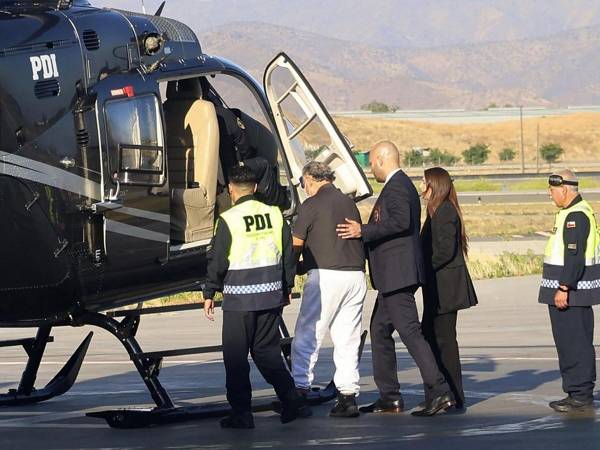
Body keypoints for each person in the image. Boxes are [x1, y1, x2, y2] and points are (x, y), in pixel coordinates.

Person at [337, 141, 455, 417]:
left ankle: (439, 392)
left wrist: (363, 231)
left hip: (398, 275)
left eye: (371, 163)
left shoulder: (399, 186)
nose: (370, 169)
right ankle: (389, 396)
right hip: (391, 276)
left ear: (380, 159)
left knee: (410, 332)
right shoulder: (396, 187)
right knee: (379, 331)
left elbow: (401, 222)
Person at [202, 165, 303, 428]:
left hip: (240, 299)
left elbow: (218, 260)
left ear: (232, 190)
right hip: (270, 296)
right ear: (256, 188)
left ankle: (242, 413)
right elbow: (288, 254)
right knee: (267, 352)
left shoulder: (229, 219)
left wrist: (209, 291)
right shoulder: (275, 215)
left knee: (235, 357)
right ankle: (291, 399)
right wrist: (287, 286)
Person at [291, 161, 368, 418]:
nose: (304, 188)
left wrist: (289, 274)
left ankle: (299, 390)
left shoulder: (311, 205)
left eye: (303, 183)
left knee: (308, 333)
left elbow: (296, 244)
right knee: (347, 338)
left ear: (311, 179)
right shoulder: (348, 203)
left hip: (327, 277)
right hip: (355, 276)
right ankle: (347, 397)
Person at [539, 169, 599, 412]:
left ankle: (580, 394)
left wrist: (563, 287)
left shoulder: (576, 215)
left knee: (573, 343)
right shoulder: (571, 212)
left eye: (552, 191)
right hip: (574, 291)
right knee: (573, 342)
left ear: (564, 189)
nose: (549, 195)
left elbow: (573, 257)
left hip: (571, 293)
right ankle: (577, 391)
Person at [419, 167, 478, 410]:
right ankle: (445, 393)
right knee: (436, 340)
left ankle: (452, 394)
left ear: (435, 185)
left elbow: (444, 251)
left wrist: (421, 268)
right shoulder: (437, 210)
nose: (421, 186)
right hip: (439, 288)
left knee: (443, 341)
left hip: (445, 289)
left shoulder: (444, 212)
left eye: (424, 182)